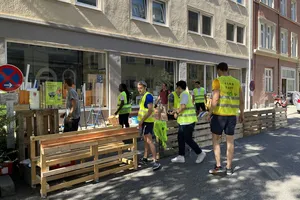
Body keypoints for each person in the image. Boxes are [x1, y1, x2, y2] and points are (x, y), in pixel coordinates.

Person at [207, 62, 244, 175]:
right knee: (230, 142)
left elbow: (215, 99)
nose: (217, 73)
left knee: (216, 141)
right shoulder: (236, 82)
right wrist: (242, 114)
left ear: (219, 70)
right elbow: (241, 101)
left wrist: (209, 113)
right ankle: (229, 168)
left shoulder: (218, 81)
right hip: (232, 116)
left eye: (217, 71)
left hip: (219, 116)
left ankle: (218, 166)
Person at [171, 80, 206, 164]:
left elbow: (183, 107)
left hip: (188, 122)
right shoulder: (184, 95)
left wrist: (176, 112)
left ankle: (200, 153)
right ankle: (181, 156)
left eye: (177, 88)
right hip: (183, 121)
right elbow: (183, 107)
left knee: (188, 139)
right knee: (180, 138)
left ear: (179, 88)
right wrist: (175, 111)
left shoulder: (184, 94)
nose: (176, 90)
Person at [137, 81, 161, 171]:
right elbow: (143, 109)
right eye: (138, 88)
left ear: (145, 87)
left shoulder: (148, 96)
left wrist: (142, 121)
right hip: (145, 122)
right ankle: (145, 157)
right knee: (146, 140)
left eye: (141, 88)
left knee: (149, 141)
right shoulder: (144, 96)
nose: (139, 90)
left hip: (147, 122)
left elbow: (150, 110)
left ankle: (155, 161)